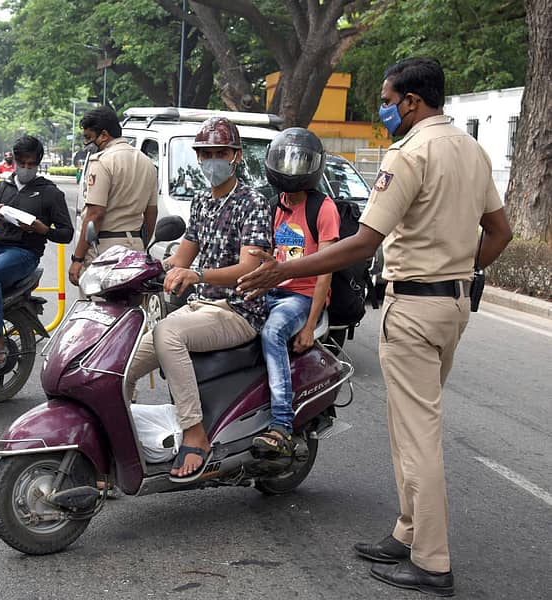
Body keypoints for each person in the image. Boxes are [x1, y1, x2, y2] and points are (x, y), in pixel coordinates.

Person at [236, 58, 512, 596]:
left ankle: (431, 560)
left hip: (414, 307)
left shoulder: (409, 154)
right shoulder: (472, 150)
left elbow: (364, 242)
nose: (384, 109)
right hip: (452, 306)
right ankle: (407, 533)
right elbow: (500, 232)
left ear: (410, 100)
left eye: (387, 98)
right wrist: (459, 268)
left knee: (418, 436)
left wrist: (284, 267)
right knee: (410, 427)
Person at [124, 117, 271, 482]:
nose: (211, 160)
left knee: (168, 333)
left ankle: (195, 432)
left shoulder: (253, 203)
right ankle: (116, 444)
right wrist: (137, 268)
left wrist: (198, 276)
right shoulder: (203, 200)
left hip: (238, 310)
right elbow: (183, 256)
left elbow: (250, 267)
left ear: (236, 156)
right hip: (203, 307)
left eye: (220, 153)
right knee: (121, 360)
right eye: (205, 153)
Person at [254, 128, 340, 455]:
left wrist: (309, 326)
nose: (290, 168)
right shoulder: (273, 204)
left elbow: (324, 270)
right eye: (285, 161)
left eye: (299, 161)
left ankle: (281, 423)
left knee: (273, 333)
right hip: (272, 290)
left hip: (301, 297)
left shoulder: (324, 208)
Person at [0, 136, 73, 369]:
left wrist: (43, 229)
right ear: (14, 161)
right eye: (23, 163)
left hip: (24, 253)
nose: (26, 169)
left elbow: (66, 233)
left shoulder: (50, 193)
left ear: (38, 164)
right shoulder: (1, 187)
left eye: (31, 164)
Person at [68, 106, 157, 285]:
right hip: (135, 251)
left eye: (88, 137)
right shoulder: (147, 163)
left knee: (98, 309)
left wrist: (77, 259)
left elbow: (95, 215)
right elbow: (151, 213)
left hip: (105, 251)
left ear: (104, 135)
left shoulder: (102, 162)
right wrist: (142, 244)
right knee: (129, 308)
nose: (86, 144)